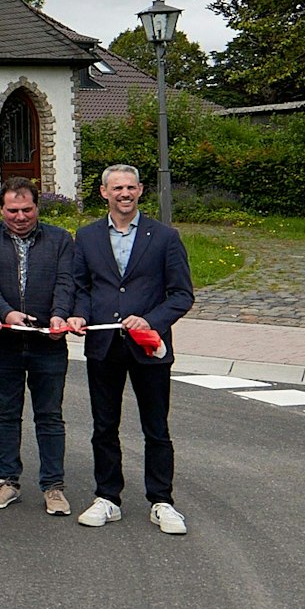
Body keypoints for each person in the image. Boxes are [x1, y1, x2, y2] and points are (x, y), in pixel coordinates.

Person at [67, 164, 194, 535]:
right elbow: (82, 288)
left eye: (130, 187)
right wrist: (77, 315)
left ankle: (162, 501)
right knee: (104, 426)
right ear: (104, 193)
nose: (124, 193)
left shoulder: (165, 237)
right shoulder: (87, 236)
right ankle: (108, 498)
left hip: (149, 347)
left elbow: (182, 295)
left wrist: (151, 320)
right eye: (116, 188)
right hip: (103, 347)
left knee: (156, 428)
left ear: (140, 191)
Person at [0, 177, 79, 516]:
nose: (20, 216)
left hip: (49, 342)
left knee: (49, 416)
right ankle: (7, 481)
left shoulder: (61, 239)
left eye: (27, 209)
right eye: (12, 210)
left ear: (37, 207)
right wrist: (6, 313)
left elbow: (66, 281)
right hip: (3, 342)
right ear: (1, 209)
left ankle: (53, 486)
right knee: (5, 415)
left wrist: (60, 316)